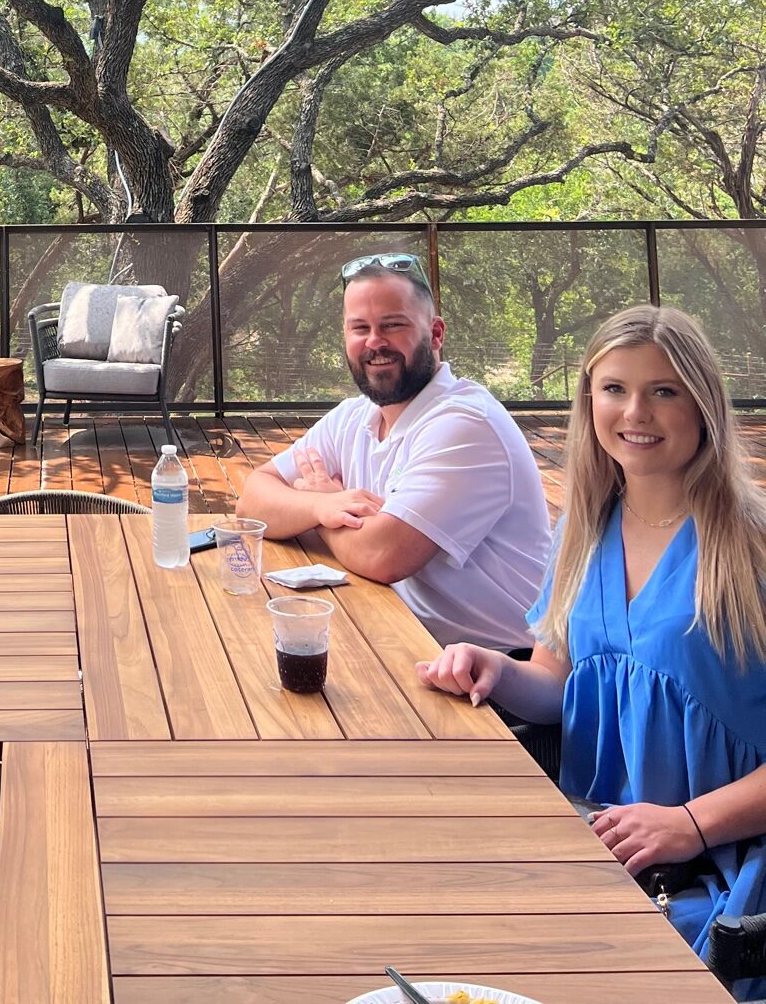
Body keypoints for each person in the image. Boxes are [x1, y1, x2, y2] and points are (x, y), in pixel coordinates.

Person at [419, 304, 766, 989]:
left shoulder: (750, 547)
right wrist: (496, 668)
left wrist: (691, 824)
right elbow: (556, 682)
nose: (635, 411)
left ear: (703, 406)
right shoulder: (583, 526)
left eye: (663, 390)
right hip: (601, 835)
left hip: (726, 860)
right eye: (614, 388)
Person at [236, 250, 551, 649]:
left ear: (435, 334)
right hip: (409, 640)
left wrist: (315, 506)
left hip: (500, 677)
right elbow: (252, 500)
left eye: (392, 325)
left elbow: (382, 555)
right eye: (359, 328)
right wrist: (322, 507)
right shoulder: (353, 416)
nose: (374, 343)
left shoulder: (465, 423)